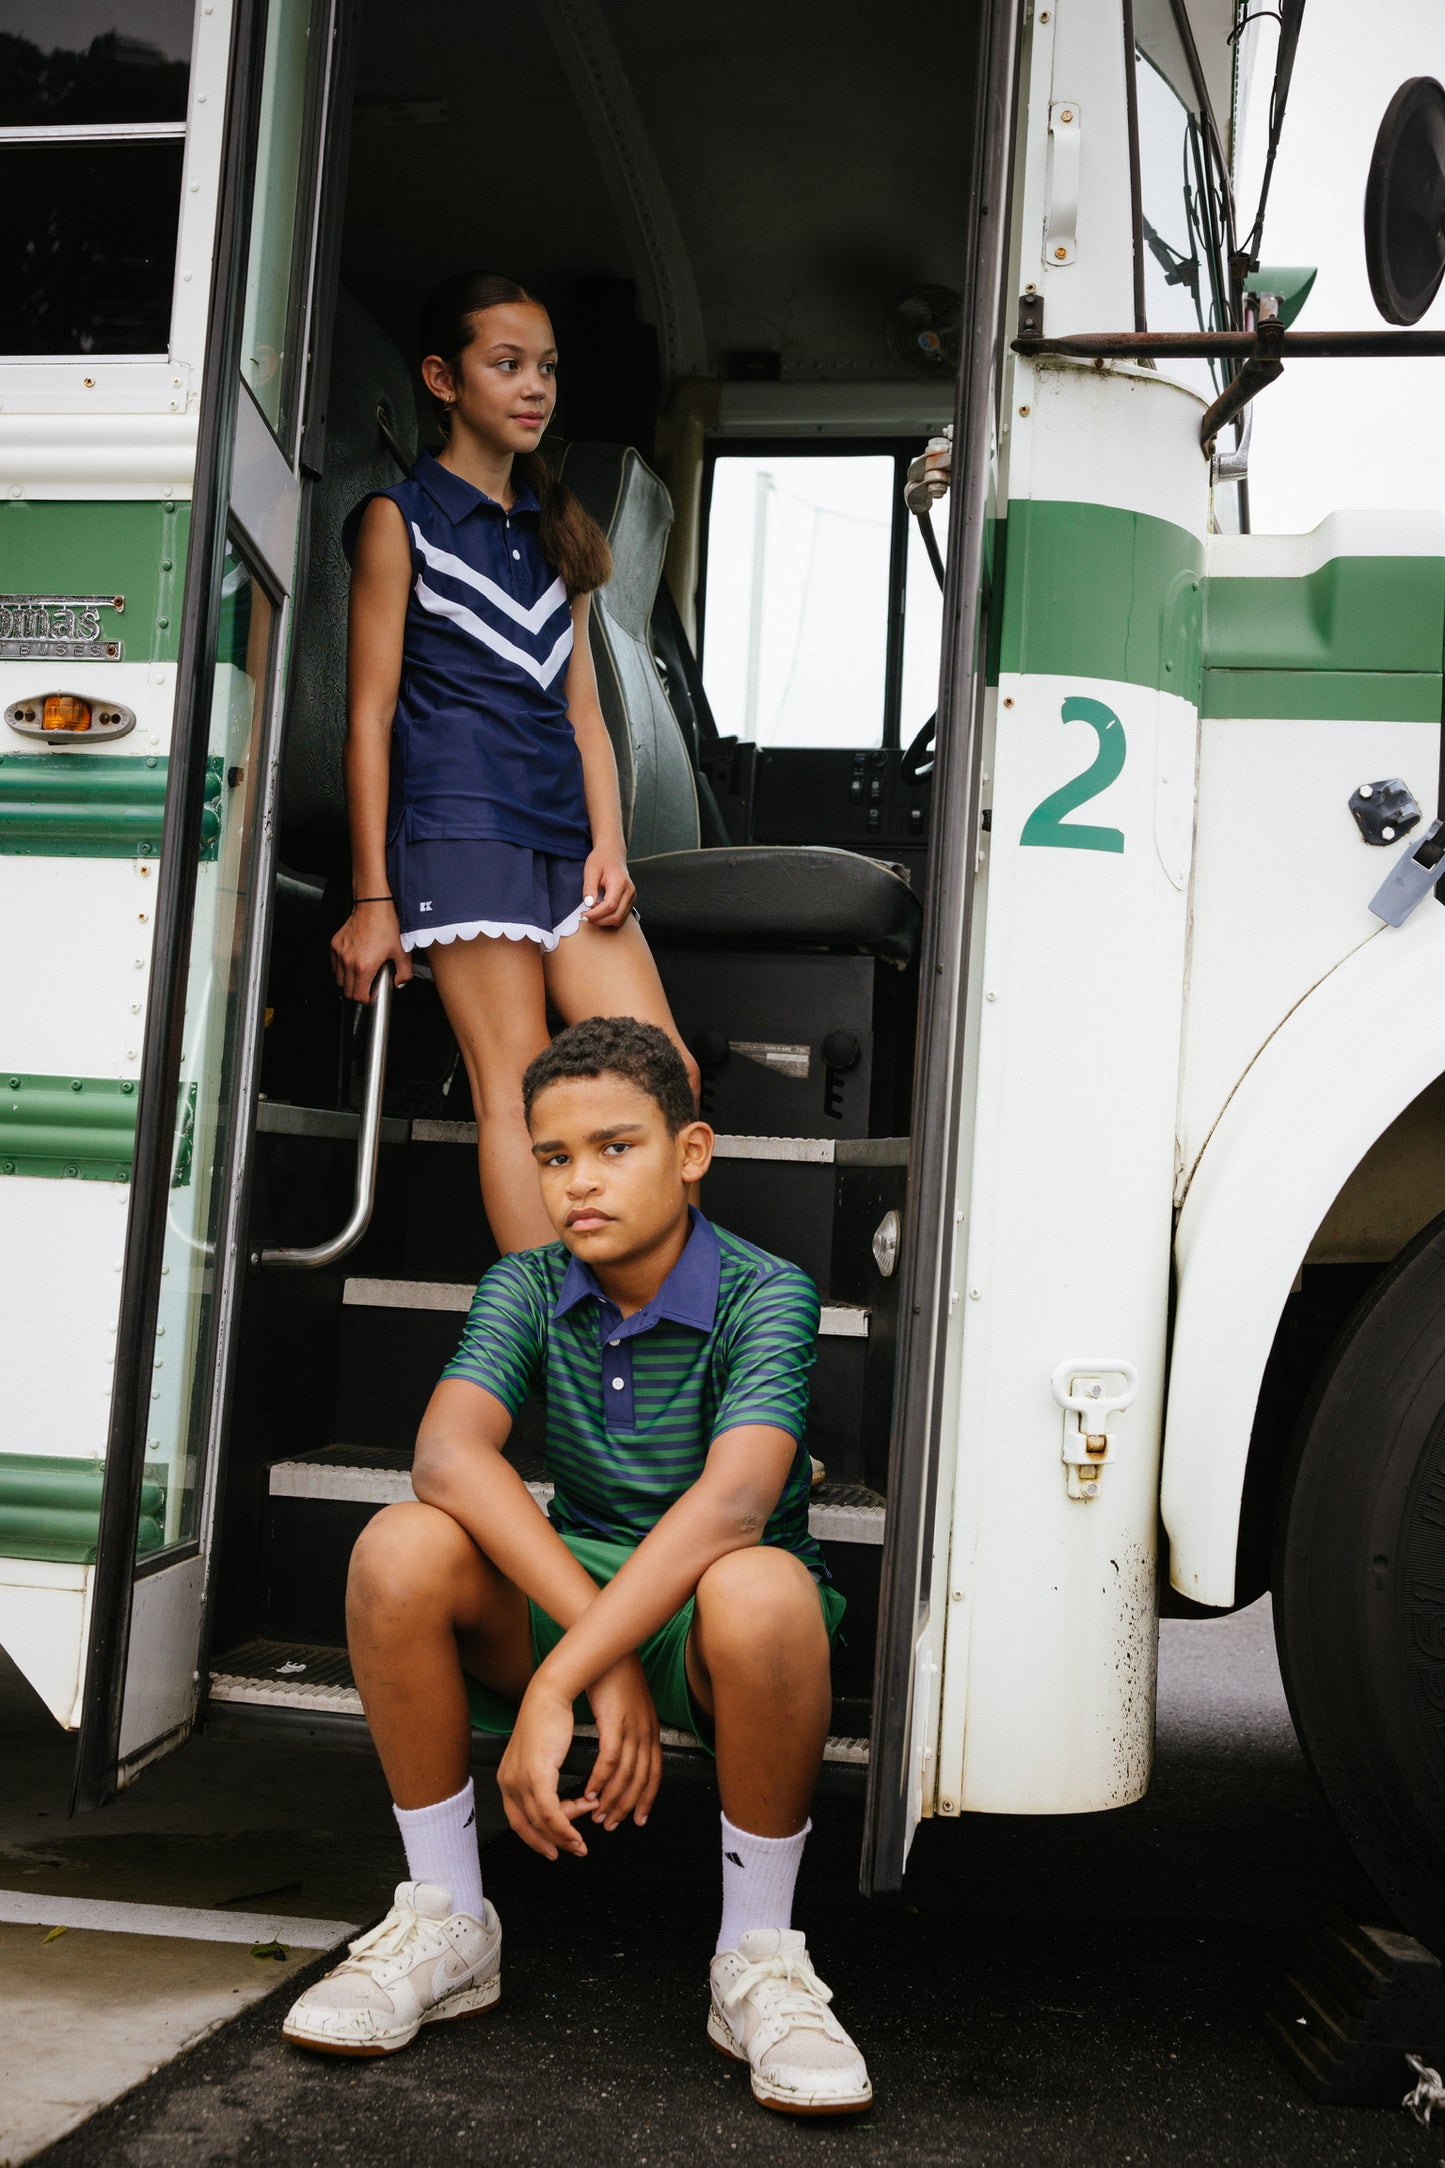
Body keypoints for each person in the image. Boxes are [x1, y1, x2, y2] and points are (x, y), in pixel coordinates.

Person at [282, 1016, 873, 2117]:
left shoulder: (766, 1291)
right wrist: (600, 1663)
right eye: (553, 1156)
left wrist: (565, 1676)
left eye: (614, 1147)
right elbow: (446, 1455)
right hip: (586, 1586)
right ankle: (449, 1915)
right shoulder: (525, 1283)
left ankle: (759, 1959)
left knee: (759, 1588)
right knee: (400, 1543)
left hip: (714, 1616)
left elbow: (734, 1505)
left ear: (690, 1152)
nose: (579, 1182)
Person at [329, 272, 699, 1252]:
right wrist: (372, 898)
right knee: (522, 1087)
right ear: (442, 379)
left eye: (546, 368)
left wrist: (609, 844)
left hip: (565, 839)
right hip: (457, 830)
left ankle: (647, 1306)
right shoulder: (398, 520)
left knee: (665, 1074)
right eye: (506, 365)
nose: (534, 387)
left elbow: (584, 716)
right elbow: (367, 717)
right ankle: (560, 1323)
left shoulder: (560, 530)